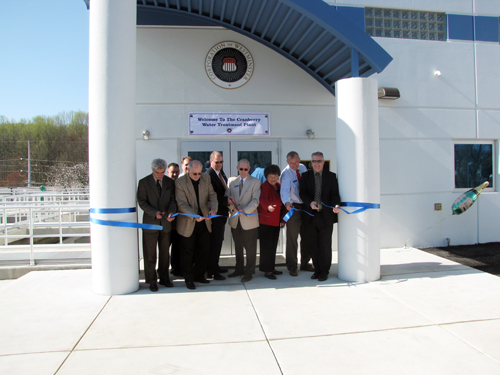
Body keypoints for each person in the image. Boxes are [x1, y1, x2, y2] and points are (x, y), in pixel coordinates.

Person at [175, 160, 218, 290]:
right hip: (188, 222)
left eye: (199, 173)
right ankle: (189, 279)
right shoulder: (180, 182)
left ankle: (199, 275)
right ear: (188, 170)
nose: (197, 176)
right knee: (187, 252)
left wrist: (213, 208)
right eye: (195, 174)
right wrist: (194, 215)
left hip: (204, 221)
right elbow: (181, 204)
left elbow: (212, 195)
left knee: (204, 250)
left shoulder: (206, 178)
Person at [299, 152, 341, 282]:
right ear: (311, 163)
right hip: (311, 216)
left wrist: (336, 204)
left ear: (323, 162)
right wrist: (309, 203)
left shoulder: (331, 177)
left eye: (319, 161)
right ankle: (317, 269)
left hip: (326, 216)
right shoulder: (305, 176)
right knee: (313, 245)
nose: (316, 164)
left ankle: (324, 271)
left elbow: (334, 194)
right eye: (314, 161)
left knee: (325, 245)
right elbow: (303, 193)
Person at [137, 158, 177, 292]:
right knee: (150, 253)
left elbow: (173, 200)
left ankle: (164, 278)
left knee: (165, 252)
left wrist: (172, 212)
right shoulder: (144, 182)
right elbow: (142, 202)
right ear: (152, 170)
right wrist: (155, 213)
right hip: (151, 223)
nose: (160, 175)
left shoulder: (170, 182)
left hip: (165, 223)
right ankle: (151, 280)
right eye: (157, 172)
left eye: (162, 172)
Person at [280, 151, 314, 276]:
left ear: (300, 159)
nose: (295, 165)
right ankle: (292, 266)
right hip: (293, 207)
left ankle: (305, 263)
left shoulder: (303, 168)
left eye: (297, 162)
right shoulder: (286, 173)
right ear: (287, 162)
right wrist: (287, 203)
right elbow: (284, 191)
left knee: (306, 236)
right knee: (292, 238)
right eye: (292, 163)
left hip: (306, 206)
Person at [227, 159, 261, 282]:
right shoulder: (231, 181)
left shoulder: (255, 182)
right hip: (235, 219)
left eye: (245, 169)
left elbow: (255, 200)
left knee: (250, 248)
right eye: (241, 169)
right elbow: (227, 196)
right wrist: (230, 202)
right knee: (238, 246)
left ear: (249, 169)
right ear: (237, 168)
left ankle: (249, 271)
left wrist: (245, 211)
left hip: (249, 219)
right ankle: (239, 268)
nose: (243, 171)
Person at [205, 151, 229, 280]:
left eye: (221, 162)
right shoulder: (208, 175)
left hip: (222, 214)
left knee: (218, 241)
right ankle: (212, 271)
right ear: (211, 162)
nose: (219, 164)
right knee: (214, 242)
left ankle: (216, 265)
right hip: (215, 214)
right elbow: (210, 196)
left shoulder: (221, 173)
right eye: (216, 162)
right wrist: (226, 201)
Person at [258, 164, 285, 279]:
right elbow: (262, 199)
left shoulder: (279, 186)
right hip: (266, 221)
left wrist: (283, 219)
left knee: (273, 245)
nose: (273, 179)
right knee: (266, 247)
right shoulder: (265, 186)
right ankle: (267, 270)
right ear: (266, 177)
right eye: (271, 176)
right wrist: (268, 206)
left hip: (276, 221)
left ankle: (272, 267)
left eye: (275, 176)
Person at [166, 162, 182, 276]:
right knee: (164, 248)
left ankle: (176, 269)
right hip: (167, 222)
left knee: (177, 248)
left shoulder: (180, 184)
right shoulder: (165, 185)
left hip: (178, 223)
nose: (175, 174)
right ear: (168, 172)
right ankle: (163, 270)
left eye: (177, 172)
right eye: (173, 172)